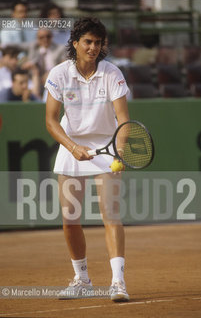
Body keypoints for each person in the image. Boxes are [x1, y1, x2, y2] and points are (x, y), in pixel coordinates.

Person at [45, 17, 130, 302]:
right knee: (70, 220)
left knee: (111, 215)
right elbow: (51, 121)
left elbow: (123, 120)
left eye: (98, 42)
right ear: (75, 44)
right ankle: (82, 279)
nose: (93, 47)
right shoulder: (58, 74)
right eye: (88, 42)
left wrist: (118, 150)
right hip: (72, 146)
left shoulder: (112, 73)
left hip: (106, 145)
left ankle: (118, 282)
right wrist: (72, 147)